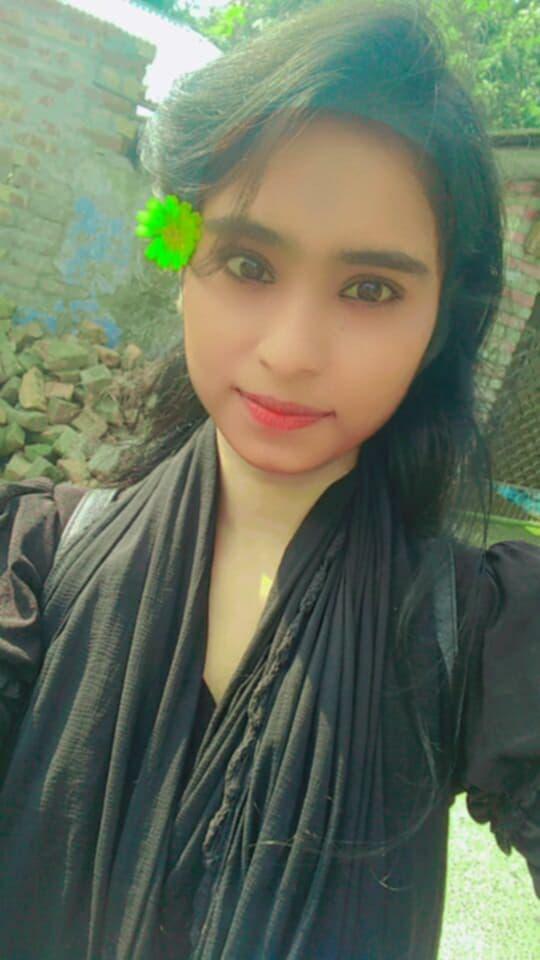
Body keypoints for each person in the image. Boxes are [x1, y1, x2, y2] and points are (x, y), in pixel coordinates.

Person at [0, 1, 538, 958]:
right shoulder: (33, 565)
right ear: (182, 261)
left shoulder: (477, 631)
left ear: (440, 323)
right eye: (248, 264)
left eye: (370, 289)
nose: (291, 352)